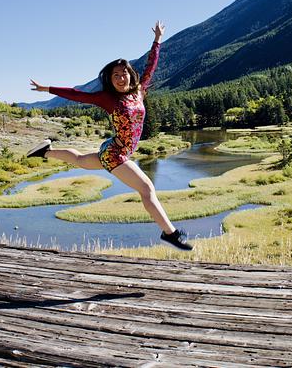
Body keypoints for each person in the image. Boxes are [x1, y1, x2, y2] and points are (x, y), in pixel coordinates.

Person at [27, 21, 192, 251]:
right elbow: (77, 94)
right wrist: (47, 89)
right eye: (116, 75)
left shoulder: (139, 92)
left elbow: (151, 67)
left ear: (130, 75)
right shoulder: (108, 99)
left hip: (114, 150)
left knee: (80, 160)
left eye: (124, 73)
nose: (121, 78)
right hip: (115, 154)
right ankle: (170, 233)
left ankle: (45, 152)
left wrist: (157, 40)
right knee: (147, 189)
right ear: (110, 79)